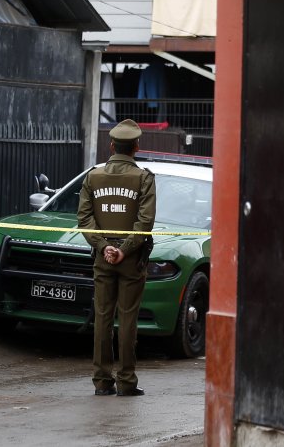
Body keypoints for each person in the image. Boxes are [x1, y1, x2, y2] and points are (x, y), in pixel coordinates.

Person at [77, 119, 156, 397]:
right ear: (136, 146)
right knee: (128, 319)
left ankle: (101, 381)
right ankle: (126, 381)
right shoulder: (144, 178)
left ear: (111, 146)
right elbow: (145, 222)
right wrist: (124, 249)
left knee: (102, 318)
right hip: (131, 260)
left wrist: (103, 247)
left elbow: (84, 218)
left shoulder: (93, 177)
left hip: (103, 259)